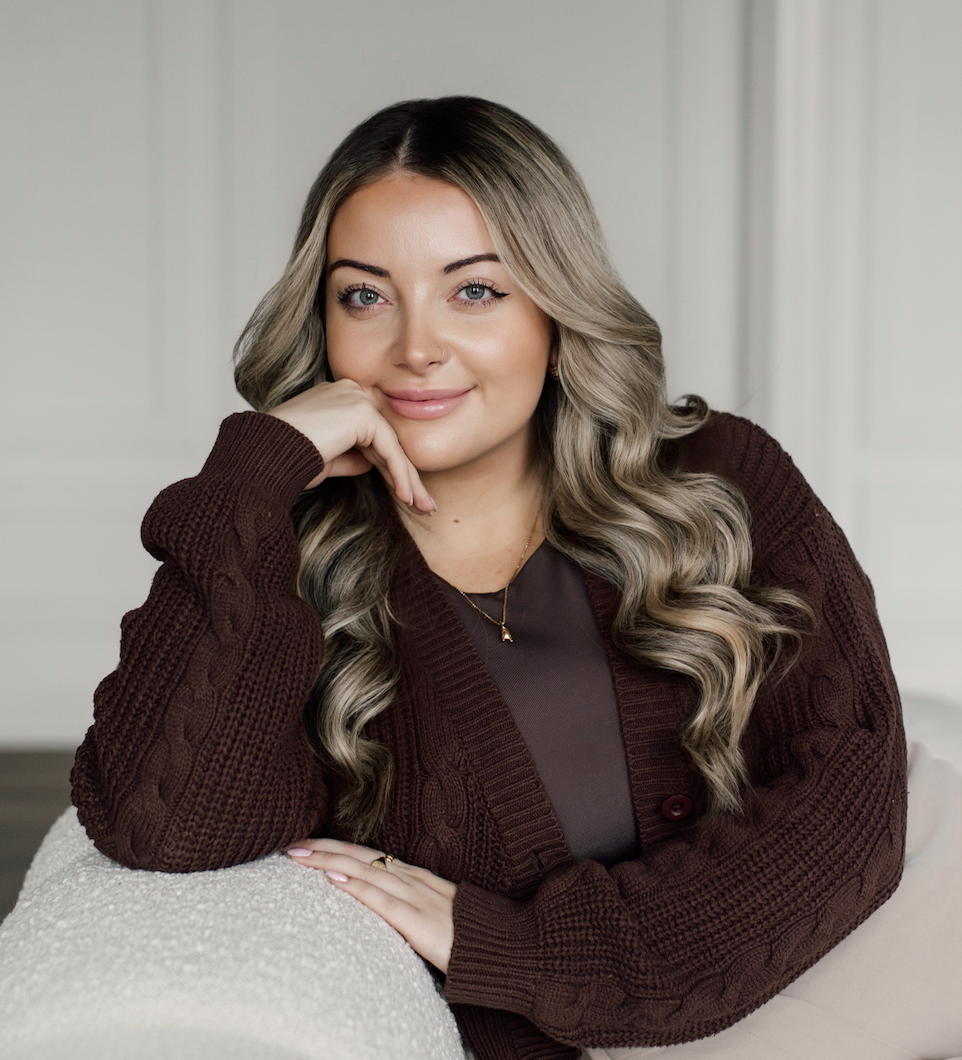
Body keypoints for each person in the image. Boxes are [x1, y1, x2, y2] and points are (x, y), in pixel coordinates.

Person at [70, 97, 907, 1060]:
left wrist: (516, 950)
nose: (414, 349)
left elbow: (850, 803)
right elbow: (165, 828)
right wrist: (253, 475)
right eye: (364, 295)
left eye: (474, 291)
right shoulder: (282, 553)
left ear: (556, 304)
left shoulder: (720, 480)